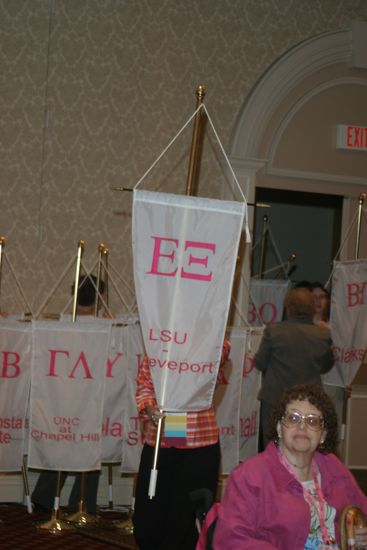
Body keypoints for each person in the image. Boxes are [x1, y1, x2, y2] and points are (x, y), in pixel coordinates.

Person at [212, 383, 367, 549]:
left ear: (322, 435)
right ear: (279, 428)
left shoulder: (333, 467)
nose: (302, 426)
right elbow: (231, 540)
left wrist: (362, 533)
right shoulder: (250, 476)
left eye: (312, 421)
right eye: (293, 418)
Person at [132, 340, 231, 550]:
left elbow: (221, 352)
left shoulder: (211, 340)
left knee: (188, 511)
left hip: (200, 440)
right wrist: (149, 408)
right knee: (150, 510)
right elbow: (145, 383)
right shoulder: (158, 341)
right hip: (164, 435)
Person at [31, 275, 105, 515]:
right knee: (89, 446)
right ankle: (82, 505)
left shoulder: (59, 326)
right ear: (100, 299)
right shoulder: (105, 329)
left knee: (61, 444)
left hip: (61, 395)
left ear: (73, 294)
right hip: (92, 398)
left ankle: (44, 497)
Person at [254, 286, 334, 447]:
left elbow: (260, 363)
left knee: (273, 445)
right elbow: (326, 366)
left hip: (274, 399)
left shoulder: (274, 331)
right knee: (304, 447)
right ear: (312, 309)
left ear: (288, 308)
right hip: (309, 401)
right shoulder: (323, 335)